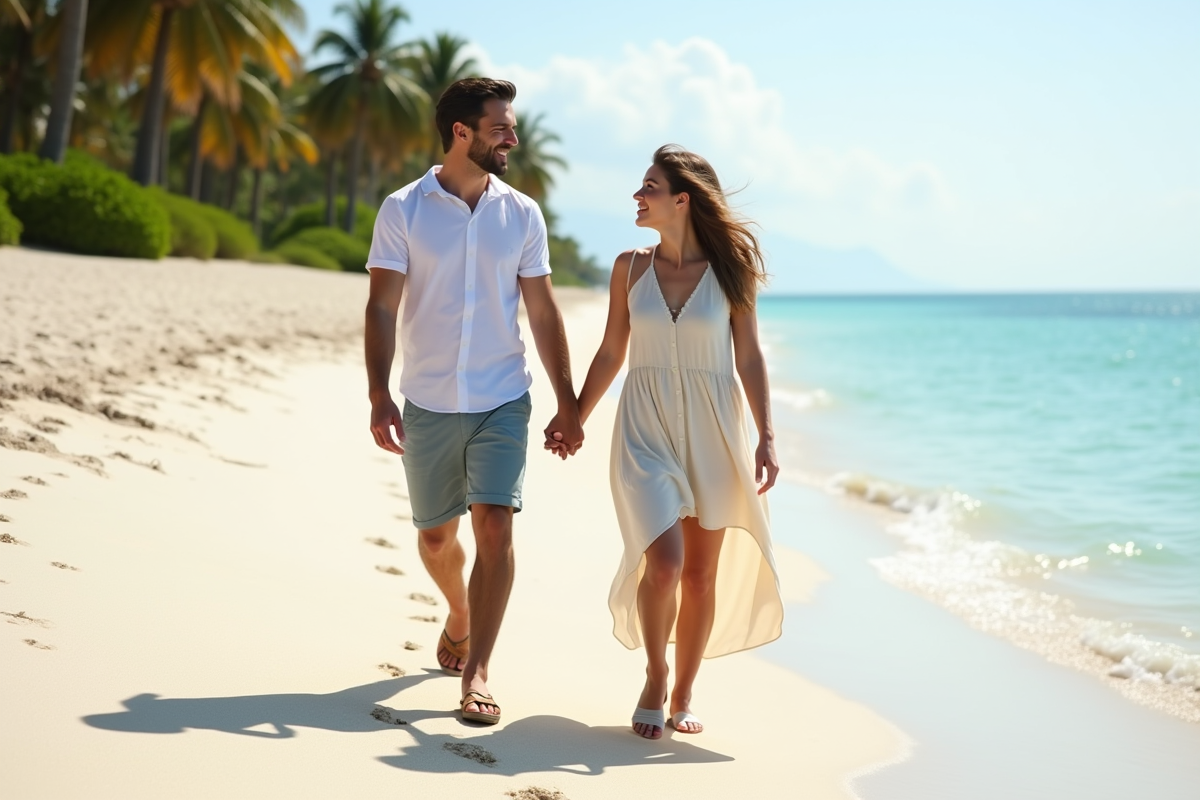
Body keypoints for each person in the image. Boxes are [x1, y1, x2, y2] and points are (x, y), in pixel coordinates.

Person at [364, 78, 583, 726]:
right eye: (501, 128)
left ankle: (479, 671)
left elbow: (542, 312)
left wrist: (567, 402)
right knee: (436, 538)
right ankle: (458, 611)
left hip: (501, 397)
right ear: (462, 132)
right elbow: (381, 305)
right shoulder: (404, 209)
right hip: (427, 400)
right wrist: (378, 393)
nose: (513, 138)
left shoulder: (522, 214)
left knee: (495, 525)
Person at [573, 145, 783, 739]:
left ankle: (686, 691)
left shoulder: (731, 270)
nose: (638, 196)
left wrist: (766, 436)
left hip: (715, 429)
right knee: (662, 564)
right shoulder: (629, 268)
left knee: (699, 576)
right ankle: (656, 675)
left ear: (682, 199)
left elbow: (749, 355)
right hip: (645, 427)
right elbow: (613, 350)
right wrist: (578, 415)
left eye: (650, 186)